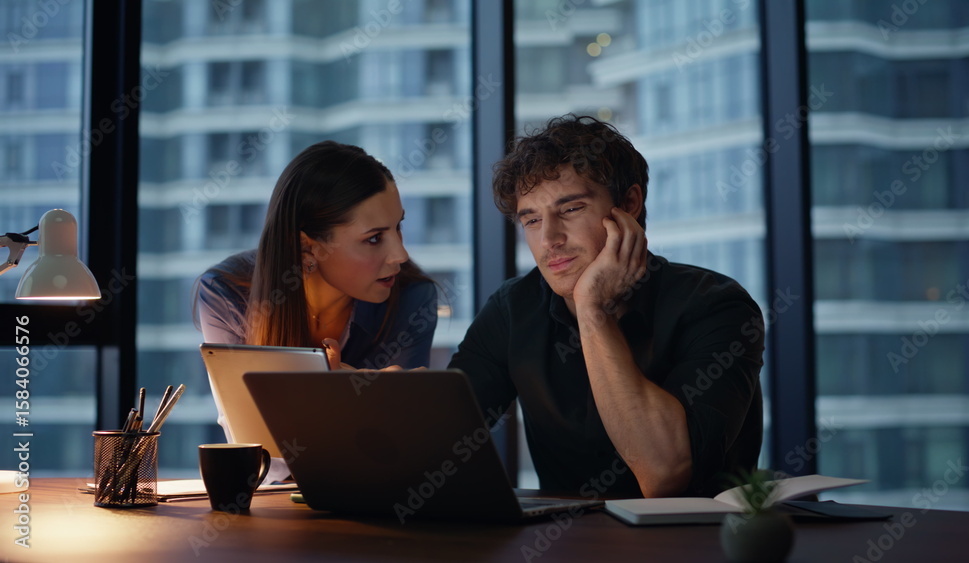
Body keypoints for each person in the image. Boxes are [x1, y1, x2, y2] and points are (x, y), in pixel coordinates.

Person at [448, 115, 764, 498]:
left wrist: (591, 308)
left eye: (570, 209)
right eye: (531, 219)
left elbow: (663, 474)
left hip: (696, 546)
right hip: (562, 546)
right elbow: (440, 443)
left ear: (628, 204)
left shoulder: (717, 306)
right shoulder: (512, 308)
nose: (549, 239)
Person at [195, 141, 439, 475]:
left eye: (398, 227)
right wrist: (352, 399)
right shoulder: (228, 294)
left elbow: (399, 452)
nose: (401, 255)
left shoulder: (413, 298)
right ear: (307, 247)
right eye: (374, 238)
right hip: (272, 502)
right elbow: (252, 442)